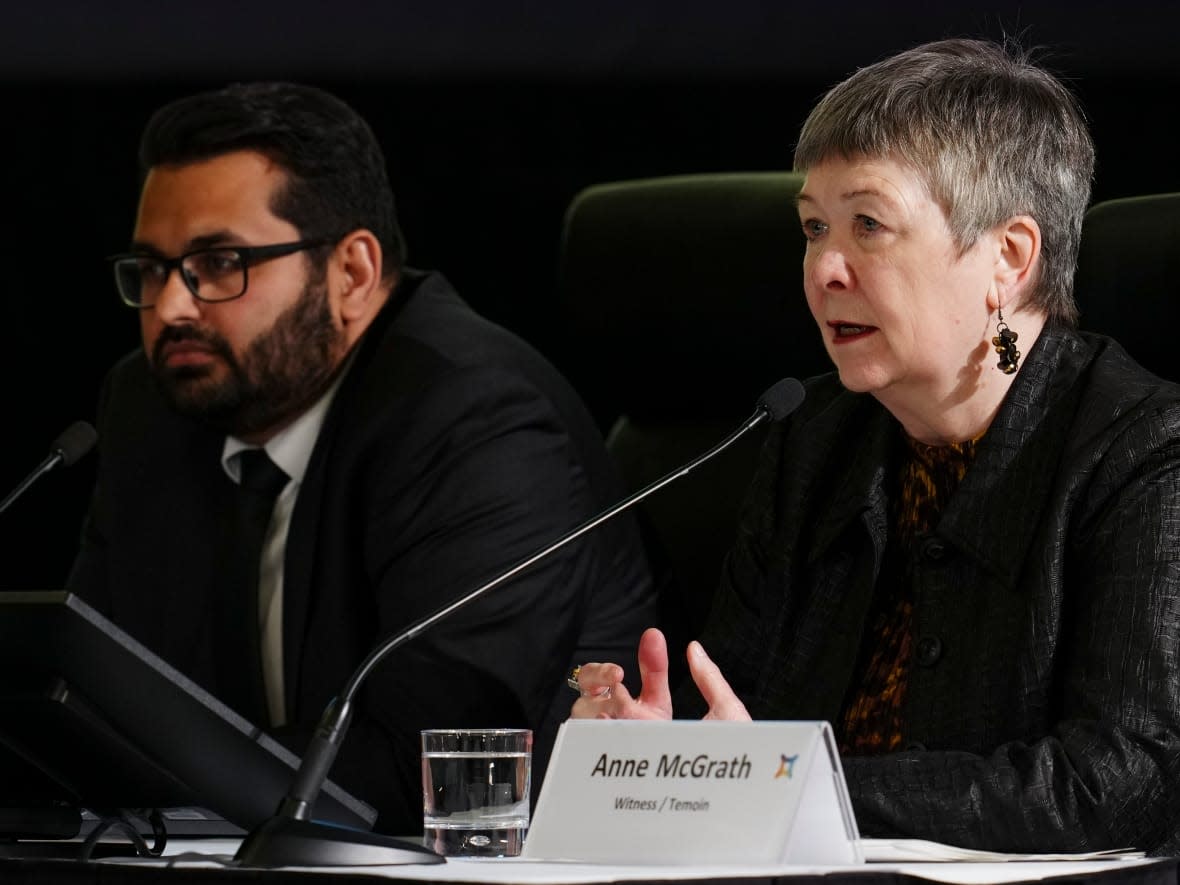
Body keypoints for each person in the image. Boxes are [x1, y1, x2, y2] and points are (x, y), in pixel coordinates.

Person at [571, 38, 1180, 854]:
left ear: (1008, 257)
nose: (824, 268)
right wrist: (664, 752)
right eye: (814, 226)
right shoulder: (808, 440)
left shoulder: (1145, 453)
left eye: (868, 224)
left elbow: (1120, 781)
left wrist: (791, 782)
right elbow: (735, 720)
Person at [67, 82, 655, 835]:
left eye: (219, 263)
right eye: (152, 269)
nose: (174, 307)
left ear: (350, 272)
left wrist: (143, 777)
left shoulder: (473, 416)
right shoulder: (155, 405)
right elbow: (89, 694)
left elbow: (430, 758)